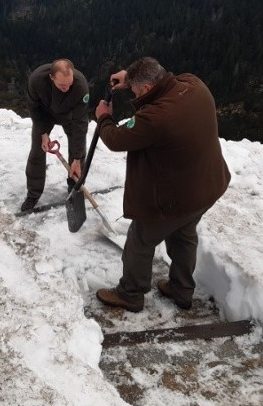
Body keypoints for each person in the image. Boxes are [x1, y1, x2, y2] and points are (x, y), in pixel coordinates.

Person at [93, 57, 231, 312]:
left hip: (175, 197)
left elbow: (115, 138)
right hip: (208, 186)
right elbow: (164, 77)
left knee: (140, 240)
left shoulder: (155, 117)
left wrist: (104, 118)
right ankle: (181, 289)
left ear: (145, 89)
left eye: (135, 90)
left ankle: (130, 293)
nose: (133, 93)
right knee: (184, 234)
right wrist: (131, 76)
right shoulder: (194, 84)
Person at [21, 59, 90, 212]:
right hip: (45, 115)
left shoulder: (80, 86)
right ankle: (33, 194)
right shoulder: (37, 80)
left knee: (78, 152)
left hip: (70, 116)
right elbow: (34, 109)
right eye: (62, 85)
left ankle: (75, 187)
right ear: (52, 78)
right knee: (37, 152)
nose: (66, 88)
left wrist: (77, 158)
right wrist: (43, 133)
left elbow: (80, 123)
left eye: (69, 84)